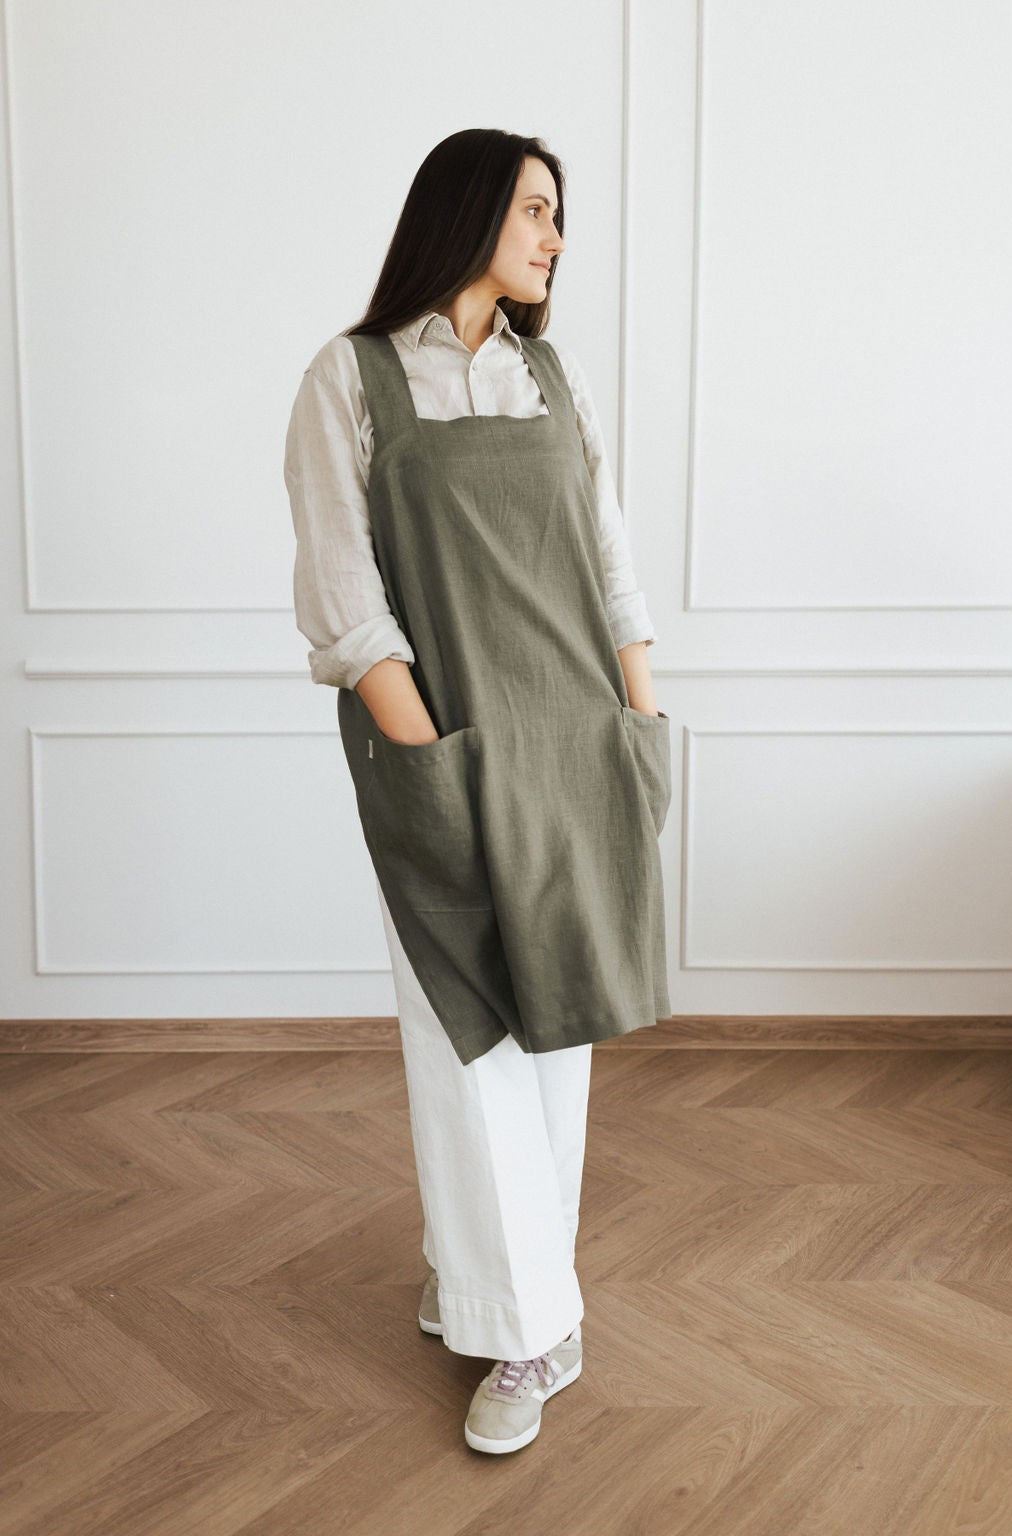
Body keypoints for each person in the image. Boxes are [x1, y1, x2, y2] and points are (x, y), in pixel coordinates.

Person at [283, 128, 672, 1455]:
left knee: (550, 1033)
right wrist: (424, 755)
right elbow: (348, 598)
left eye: (561, 215)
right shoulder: (352, 379)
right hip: (444, 749)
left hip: (578, 745)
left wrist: (644, 725)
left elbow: (612, 571)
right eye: (535, 208)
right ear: (465, 212)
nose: (557, 235)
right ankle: (515, 1315)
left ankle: (509, 1305)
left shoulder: (551, 379)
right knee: (465, 1037)